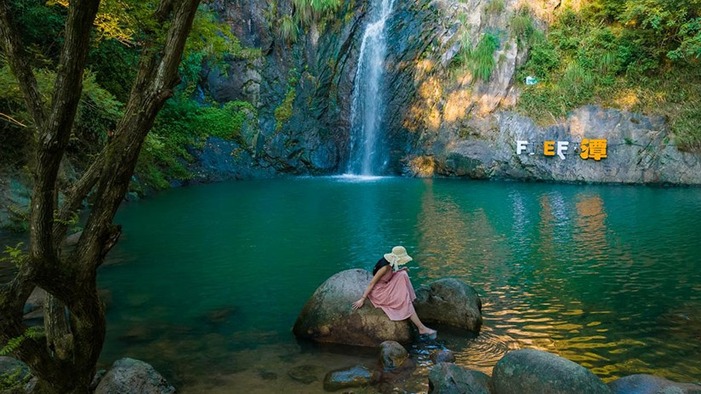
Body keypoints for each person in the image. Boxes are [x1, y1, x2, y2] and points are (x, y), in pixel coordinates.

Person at [351, 246, 437, 338]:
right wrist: (363, 299)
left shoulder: (390, 263)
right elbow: (372, 283)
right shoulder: (384, 267)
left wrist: (400, 270)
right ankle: (421, 327)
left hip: (386, 285)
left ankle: (408, 302)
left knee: (403, 273)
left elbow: (388, 276)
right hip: (380, 292)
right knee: (404, 300)